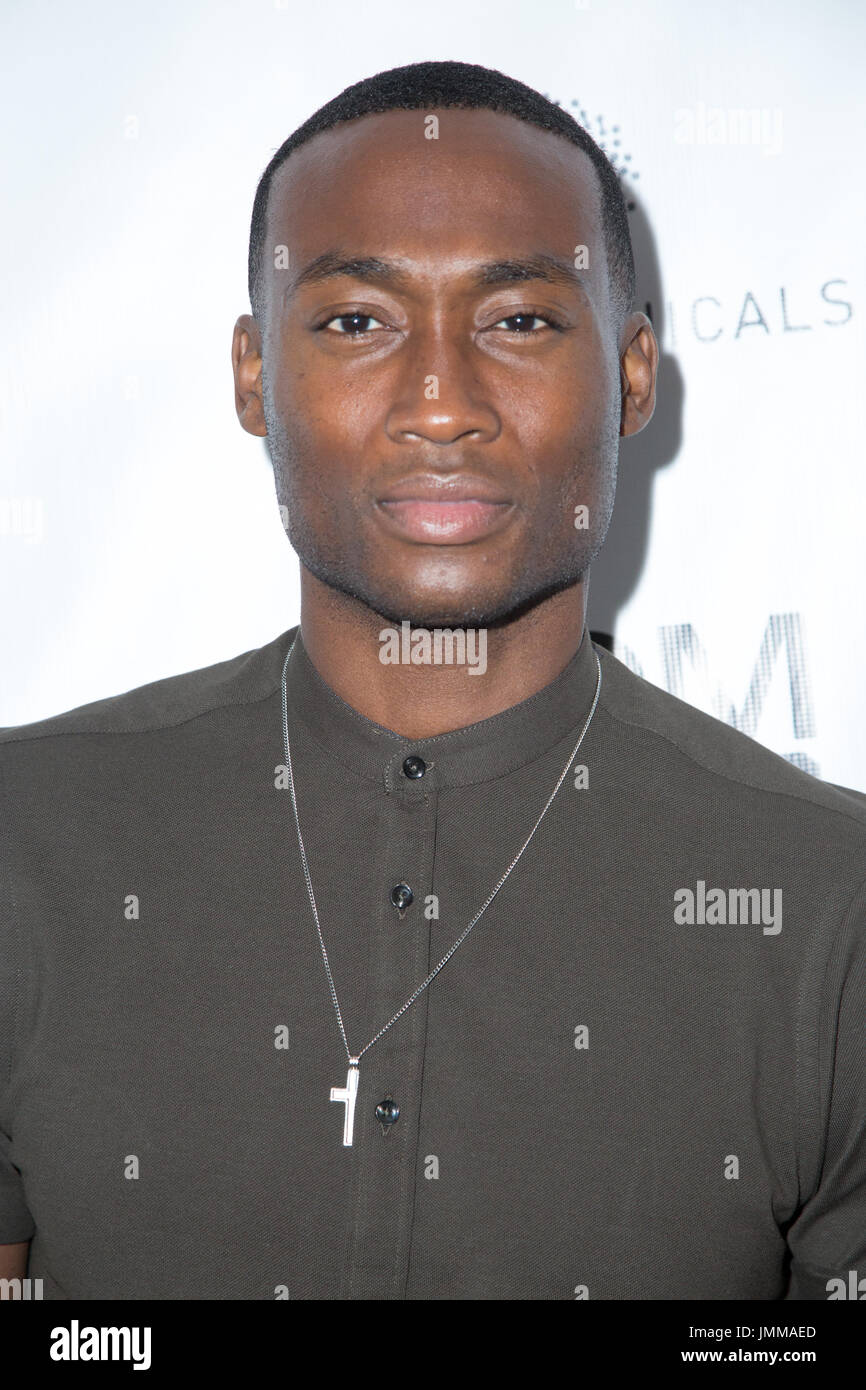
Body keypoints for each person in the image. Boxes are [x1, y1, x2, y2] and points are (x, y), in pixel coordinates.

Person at [1, 59, 864, 1301]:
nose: (441, 404)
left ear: (629, 375)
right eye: (358, 320)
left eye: (517, 321)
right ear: (253, 375)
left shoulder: (823, 907)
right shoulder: (30, 837)